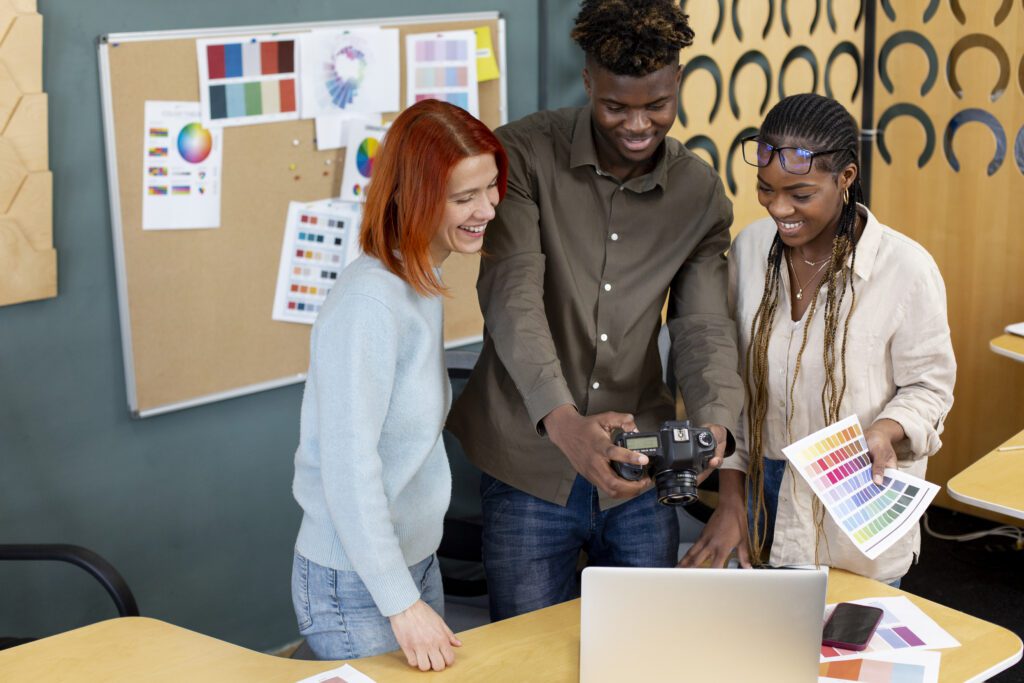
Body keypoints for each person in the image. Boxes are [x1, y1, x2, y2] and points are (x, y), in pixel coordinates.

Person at [448, 0, 743, 621]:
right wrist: (562, 422)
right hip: (530, 461)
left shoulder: (698, 192)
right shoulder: (522, 156)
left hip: (641, 466)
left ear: (678, 85)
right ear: (587, 82)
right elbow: (512, 294)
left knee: (641, 645)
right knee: (524, 656)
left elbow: (703, 326)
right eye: (616, 106)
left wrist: (716, 421)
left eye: (656, 105)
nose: (638, 124)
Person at [680, 93, 956, 585]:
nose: (779, 207)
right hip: (763, 495)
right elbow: (733, 386)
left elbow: (930, 388)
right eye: (766, 189)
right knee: (766, 651)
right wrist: (730, 500)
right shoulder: (749, 251)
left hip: (856, 502)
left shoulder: (906, 269)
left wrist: (886, 430)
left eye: (800, 194)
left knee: (848, 655)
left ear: (845, 178)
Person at [290, 99, 507, 670]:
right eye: (465, 198)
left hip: (408, 563)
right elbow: (348, 466)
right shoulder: (370, 303)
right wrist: (400, 600)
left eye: (490, 187)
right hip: (356, 582)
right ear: (417, 198)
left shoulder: (419, 279)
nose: (487, 208)